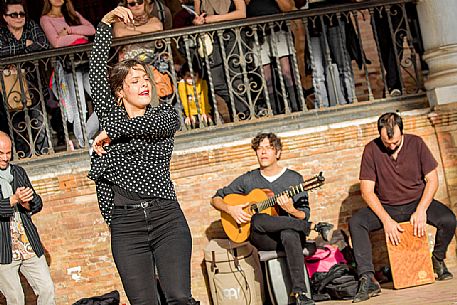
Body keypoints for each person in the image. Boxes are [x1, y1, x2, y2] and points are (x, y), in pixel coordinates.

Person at [88, 6, 198, 305]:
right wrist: (104, 24)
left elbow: (153, 124)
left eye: (145, 79)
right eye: (135, 81)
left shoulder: (164, 116)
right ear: (120, 92)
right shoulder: (109, 117)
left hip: (166, 218)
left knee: (178, 297)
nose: (144, 84)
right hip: (126, 226)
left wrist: (113, 132)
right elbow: (97, 73)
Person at [211, 132, 334, 305]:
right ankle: (313, 227)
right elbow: (215, 198)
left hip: (290, 236)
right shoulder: (248, 179)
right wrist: (230, 209)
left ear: (277, 152)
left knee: (289, 233)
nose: (263, 152)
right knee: (258, 219)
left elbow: (304, 214)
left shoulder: (294, 179)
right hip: (264, 239)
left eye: (268, 148)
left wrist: (290, 209)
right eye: (259, 148)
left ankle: (301, 294)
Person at [349, 112, 457, 303]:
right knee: (357, 222)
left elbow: (432, 180)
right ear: (379, 134)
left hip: (417, 202)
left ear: (402, 133)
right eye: (386, 142)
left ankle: (437, 260)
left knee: (448, 220)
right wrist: (386, 220)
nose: (391, 146)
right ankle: (368, 278)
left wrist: (422, 209)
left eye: (395, 142)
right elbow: (367, 191)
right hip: (387, 207)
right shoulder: (371, 150)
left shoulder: (417, 143)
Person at [0, 131, 56, 305]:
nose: (5, 158)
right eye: (0, 153)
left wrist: (27, 203)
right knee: (15, 299)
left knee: (47, 289)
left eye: (8, 153)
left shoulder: (18, 172)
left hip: (27, 243)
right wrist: (13, 200)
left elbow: (37, 202)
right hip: (3, 249)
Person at [40, 0, 96, 148]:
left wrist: (69, 31)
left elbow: (92, 30)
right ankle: (84, 143)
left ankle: (83, 138)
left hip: (86, 61)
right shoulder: (46, 19)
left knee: (105, 101)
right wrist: (80, 36)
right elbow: (57, 42)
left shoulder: (73, 14)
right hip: (69, 65)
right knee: (80, 107)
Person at [0, 0, 50, 158]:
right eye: (14, 14)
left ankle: (44, 154)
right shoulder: (1, 33)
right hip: (11, 86)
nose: (19, 17)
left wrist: (14, 54)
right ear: (5, 18)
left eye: (21, 14)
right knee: (16, 123)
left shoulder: (32, 26)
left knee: (39, 121)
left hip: (33, 81)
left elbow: (43, 45)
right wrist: (25, 45)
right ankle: (24, 155)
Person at [193, 0, 249, 121]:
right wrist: (198, 22)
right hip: (212, 40)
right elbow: (196, 17)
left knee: (236, 78)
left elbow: (241, 13)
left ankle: (243, 114)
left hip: (233, 36)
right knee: (216, 82)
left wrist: (216, 19)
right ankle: (238, 111)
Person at [246, 0, 301, 114]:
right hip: (257, 34)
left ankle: (297, 107)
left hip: (278, 28)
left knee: (287, 72)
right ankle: (274, 111)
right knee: (267, 78)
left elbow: (288, 7)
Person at [178, 62, 213, 128]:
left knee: (208, 121)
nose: (191, 79)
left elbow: (204, 98)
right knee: (188, 124)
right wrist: (189, 115)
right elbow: (184, 101)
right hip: (190, 111)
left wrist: (205, 112)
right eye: (188, 76)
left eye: (194, 75)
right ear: (183, 76)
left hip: (203, 109)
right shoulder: (182, 85)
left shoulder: (202, 83)